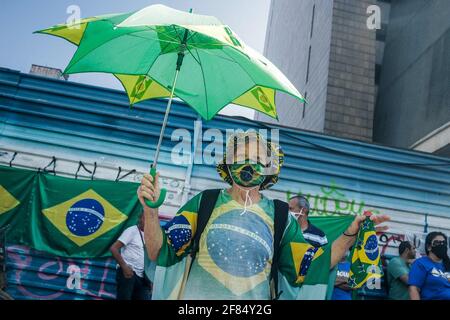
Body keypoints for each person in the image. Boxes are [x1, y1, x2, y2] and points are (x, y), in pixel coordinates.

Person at [138, 131, 390, 300]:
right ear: (227, 163)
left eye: (259, 160)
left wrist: (350, 234)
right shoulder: (205, 202)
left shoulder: (281, 216)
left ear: (270, 170)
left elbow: (313, 267)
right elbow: (159, 253)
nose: (250, 165)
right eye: (242, 158)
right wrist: (151, 209)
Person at [110, 213, 152, 300]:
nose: (148, 221)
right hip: (129, 274)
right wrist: (124, 267)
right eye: (145, 218)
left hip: (143, 277)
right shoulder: (132, 231)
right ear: (140, 219)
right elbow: (114, 248)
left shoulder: (151, 236)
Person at [408, 231, 450, 300]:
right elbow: (413, 289)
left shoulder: (447, 265)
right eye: (437, 243)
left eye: (444, 243)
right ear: (428, 247)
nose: (441, 245)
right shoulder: (421, 263)